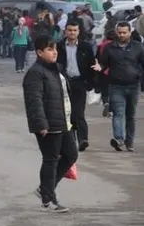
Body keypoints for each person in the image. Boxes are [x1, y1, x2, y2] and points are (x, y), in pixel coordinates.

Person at [22, 35, 78, 213]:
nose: (54, 52)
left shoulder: (56, 70)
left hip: (64, 121)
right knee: (51, 160)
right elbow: (34, 100)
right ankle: (48, 200)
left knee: (71, 155)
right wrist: (41, 123)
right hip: (48, 123)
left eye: (55, 48)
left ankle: (45, 189)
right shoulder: (35, 73)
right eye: (49, 49)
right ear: (39, 53)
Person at [94, 21, 144, 152]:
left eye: (124, 32)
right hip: (116, 86)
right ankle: (119, 139)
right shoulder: (110, 48)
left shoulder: (138, 47)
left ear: (130, 32)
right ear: (116, 32)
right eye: (120, 32)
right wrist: (100, 67)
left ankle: (130, 142)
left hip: (134, 85)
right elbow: (103, 63)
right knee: (118, 113)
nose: (122, 35)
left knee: (131, 115)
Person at [56, 20, 96, 152]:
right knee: (67, 113)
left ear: (78, 32)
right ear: (65, 31)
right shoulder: (59, 46)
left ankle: (83, 139)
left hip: (80, 83)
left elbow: (92, 65)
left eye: (74, 30)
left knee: (78, 113)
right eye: (70, 30)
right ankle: (70, 141)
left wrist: (90, 83)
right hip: (64, 82)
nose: (72, 33)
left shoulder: (86, 47)